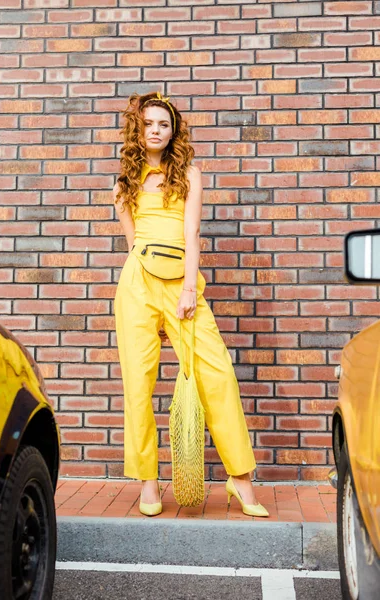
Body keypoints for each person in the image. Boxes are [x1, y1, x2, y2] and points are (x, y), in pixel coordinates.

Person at [113, 91, 269, 518]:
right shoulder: (124, 183)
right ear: (138, 130)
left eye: (164, 124)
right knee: (138, 387)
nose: (157, 130)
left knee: (217, 376)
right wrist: (144, 285)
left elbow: (192, 234)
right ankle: (148, 480)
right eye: (149, 124)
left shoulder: (189, 175)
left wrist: (186, 290)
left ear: (173, 130)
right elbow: (132, 243)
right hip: (137, 287)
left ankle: (240, 479)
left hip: (181, 286)